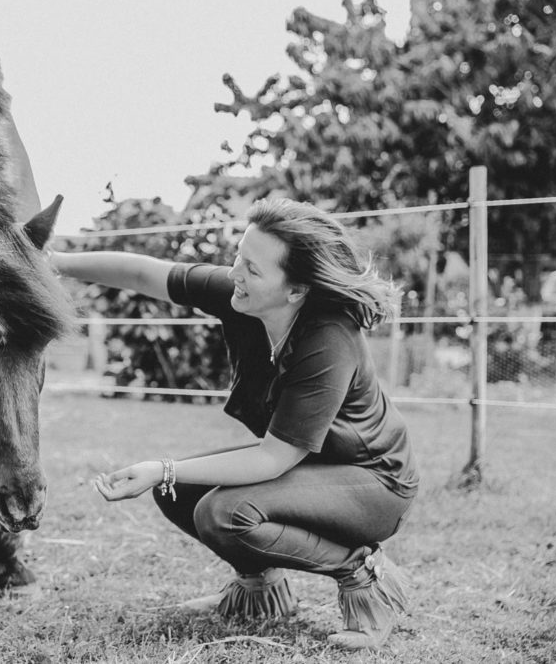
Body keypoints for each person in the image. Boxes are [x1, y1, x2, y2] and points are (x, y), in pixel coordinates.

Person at [50, 198, 418, 651]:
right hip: (310, 470)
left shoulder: (328, 338)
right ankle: (259, 592)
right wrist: (54, 261)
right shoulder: (240, 295)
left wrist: (160, 466)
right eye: (238, 257)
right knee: (176, 489)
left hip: (374, 484)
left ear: (296, 289)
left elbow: (272, 457)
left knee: (222, 513)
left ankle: (363, 573)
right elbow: (147, 273)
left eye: (253, 268)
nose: (235, 273)